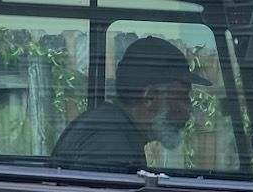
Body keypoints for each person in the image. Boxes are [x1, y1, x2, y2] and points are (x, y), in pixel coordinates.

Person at [52, 36, 210, 171]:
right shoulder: (111, 146)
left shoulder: (117, 131)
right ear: (150, 98)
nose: (189, 108)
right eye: (182, 97)